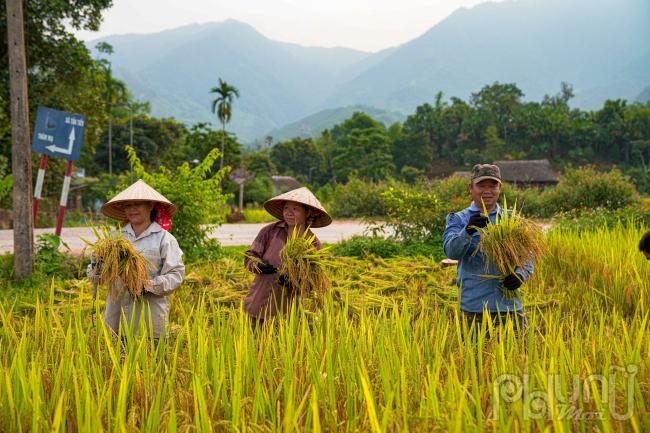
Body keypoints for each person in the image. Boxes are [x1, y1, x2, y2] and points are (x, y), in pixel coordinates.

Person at [88, 179, 185, 344]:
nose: (132, 209)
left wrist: (146, 285)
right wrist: (99, 267)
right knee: (116, 367)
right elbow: (96, 277)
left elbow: (176, 275)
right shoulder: (114, 239)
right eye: (128, 205)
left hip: (149, 323)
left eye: (138, 204)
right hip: (116, 322)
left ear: (150, 206)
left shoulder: (164, 239)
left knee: (151, 367)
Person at [442, 164, 533, 336]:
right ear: (471, 188)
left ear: (500, 188)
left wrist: (520, 274)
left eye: (493, 185)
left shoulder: (512, 219)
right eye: (481, 185)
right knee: (474, 359)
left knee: (520, 358)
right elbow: (450, 252)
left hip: (509, 306)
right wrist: (468, 230)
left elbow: (528, 254)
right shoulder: (459, 219)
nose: (487, 190)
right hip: (474, 308)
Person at [243, 187, 332, 327]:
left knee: (283, 346)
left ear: (307, 212)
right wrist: (258, 266)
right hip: (259, 302)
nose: (289, 213)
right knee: (255, 345)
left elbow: (315, 279)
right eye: (286, 209)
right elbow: (249, 257)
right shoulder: (270, 231)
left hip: (288, 312)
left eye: (295, 209)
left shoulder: (313, 244)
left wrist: (295, 280)